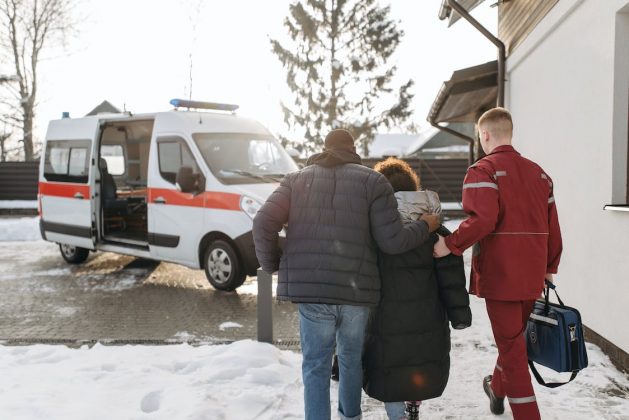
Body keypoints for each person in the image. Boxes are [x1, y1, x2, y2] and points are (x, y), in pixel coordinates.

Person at [252, 129, 440, 420]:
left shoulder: (296, 180)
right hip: (356, 293)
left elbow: (263, 221)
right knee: (351, 361)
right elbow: (392, 241)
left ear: (323, 148)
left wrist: (272, 263)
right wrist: (425, 226)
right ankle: (350, 417)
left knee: (315, 365)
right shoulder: (373, 181)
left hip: (313, 294)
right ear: (353, 149)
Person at [433, 107, 562, 420]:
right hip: (531, 276)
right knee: (513, 344)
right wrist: (549, 267)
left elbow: (483, 220)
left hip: (502, 278)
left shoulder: (483, 170)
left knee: (513, 354)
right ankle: (496, 389)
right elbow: (553, 228)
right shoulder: (539, 174)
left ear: (485, 134)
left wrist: (449, 245)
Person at [362, 157, 472, 420]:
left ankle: (399, 413)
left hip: (385, 319)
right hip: (427, 318)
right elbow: (451, 279)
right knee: (417, 365)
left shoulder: (373, 233)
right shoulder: (438, 232)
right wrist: (460, 315)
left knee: (392, 369)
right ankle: (414, 405)